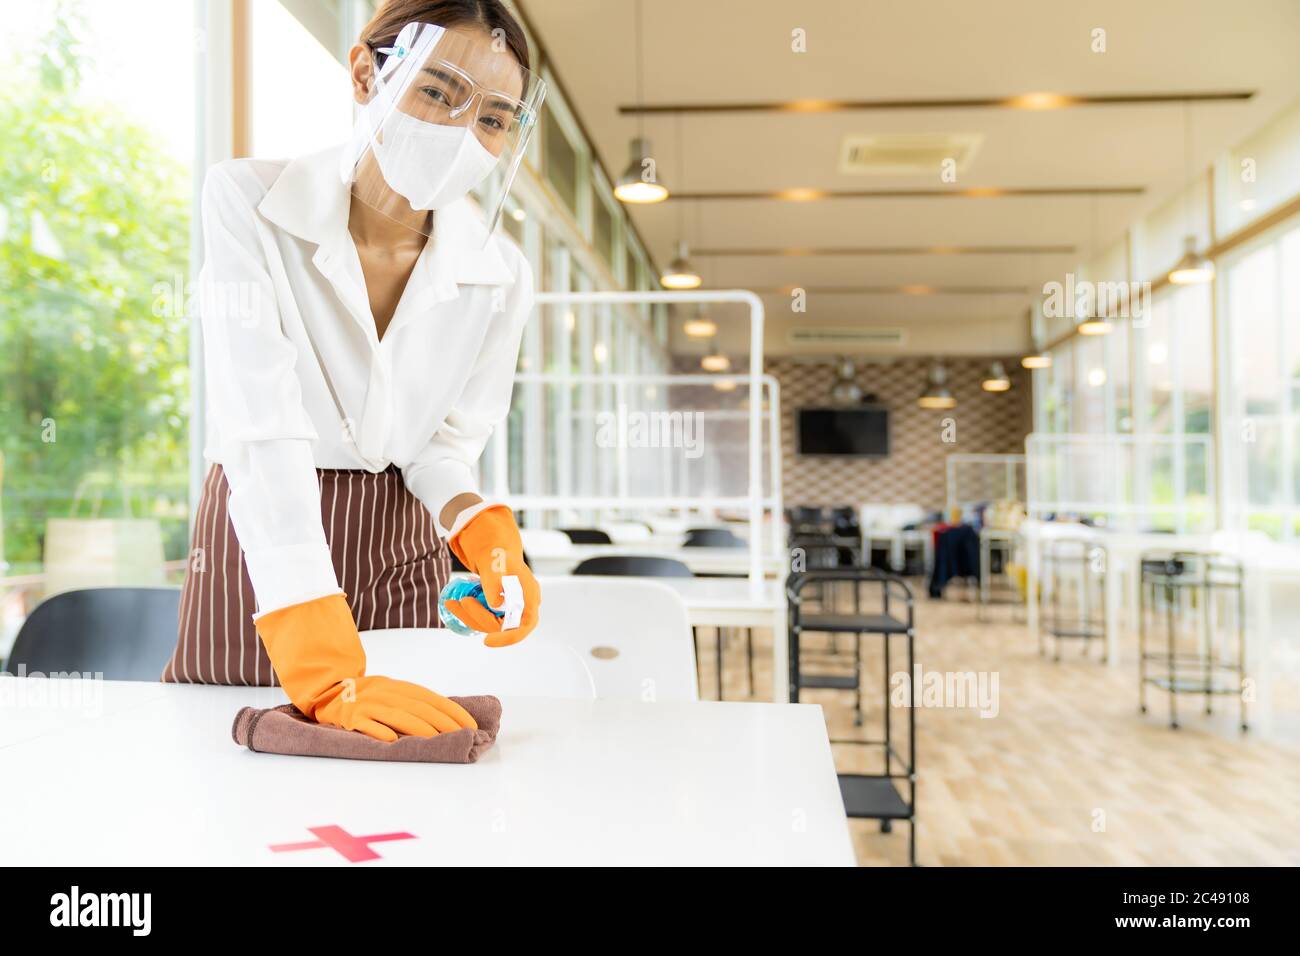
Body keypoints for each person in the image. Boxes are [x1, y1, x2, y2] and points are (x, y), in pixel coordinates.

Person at [162, 0, 546, 744]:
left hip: (404, 543)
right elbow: (261, 430)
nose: (462, 132)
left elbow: (441, 445)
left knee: (415, 771)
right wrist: (314, 642)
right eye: (438, 92)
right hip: (263, 537)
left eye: (495, 118)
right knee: (224, 769)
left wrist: (480, 528)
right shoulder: (249, 201)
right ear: (367, 73)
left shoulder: (502, 271)